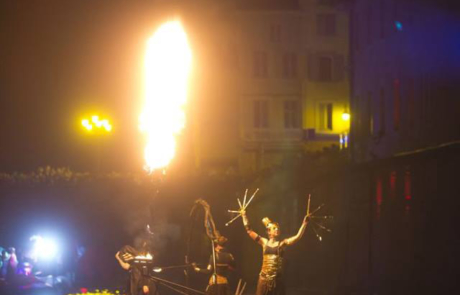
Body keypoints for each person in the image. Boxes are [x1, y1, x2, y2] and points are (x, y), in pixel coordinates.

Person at [241, 211, 309, 295]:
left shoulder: (282, 244)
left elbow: (297, 237)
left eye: (277, 228)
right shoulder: (264, 242)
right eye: (274, 228)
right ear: (269, 231)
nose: (277, 229)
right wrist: (244, 215)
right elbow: (249, 231)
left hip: (276, 281)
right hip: (263, 280)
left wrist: (304, 223)